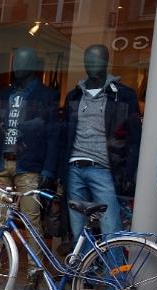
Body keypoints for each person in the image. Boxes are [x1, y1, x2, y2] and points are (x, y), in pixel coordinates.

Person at [0, 48, 59, 290]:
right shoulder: (5, 93)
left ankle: (35, 274)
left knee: (32, 222)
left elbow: (52, 135)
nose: (18, 67)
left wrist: (48, 168)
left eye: (24, 62)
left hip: (29, 167)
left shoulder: (46, 96)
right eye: (17, 62)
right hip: (2, 164)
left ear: (33, 64)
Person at [61, 44, 141, 243]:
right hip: (75, 169)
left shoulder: (123, 95)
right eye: (88, 60)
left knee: (110, 228)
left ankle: (112, 274)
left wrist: (128, 173)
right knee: (78, 228)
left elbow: (134, 138)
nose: (91, 64)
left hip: (104, 169)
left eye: (96, 60)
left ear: (105, 62)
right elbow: (64, 135)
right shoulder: (74, 95)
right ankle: (84, 273)